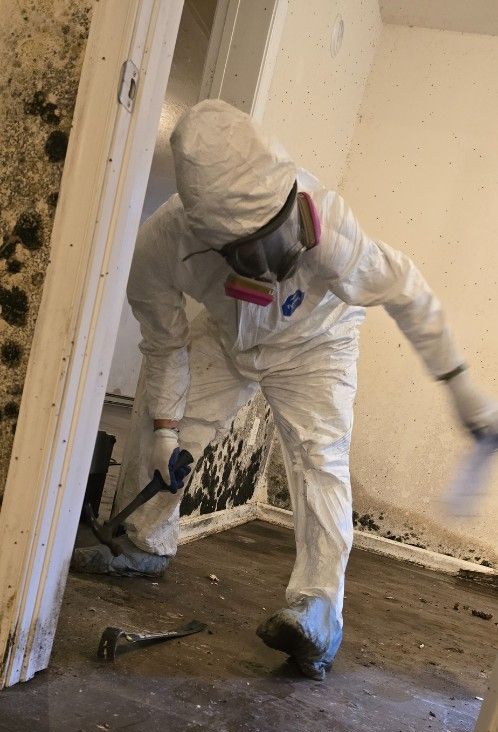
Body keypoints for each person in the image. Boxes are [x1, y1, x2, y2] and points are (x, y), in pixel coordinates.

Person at [72, 99, 498, 680]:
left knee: (319, 458)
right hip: (227, 338)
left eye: (284, 233)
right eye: (257, 250)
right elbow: (164, 345)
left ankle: (317, 611)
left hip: (317, 341)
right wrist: (166, 433)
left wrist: (460, 384)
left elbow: (406, 292)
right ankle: (146, 542)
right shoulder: (160, 247)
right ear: (212, 240)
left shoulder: (326, 223)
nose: (283, 259)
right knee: (171, 429)